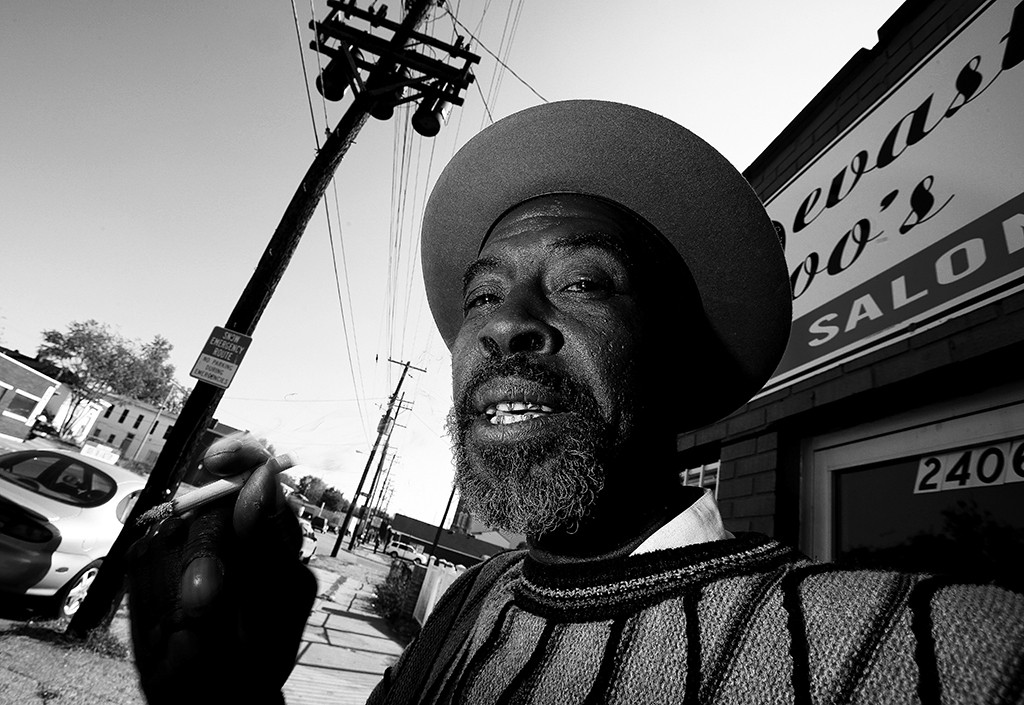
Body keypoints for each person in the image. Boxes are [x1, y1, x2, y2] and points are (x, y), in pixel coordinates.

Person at [127, 101, 1024, 704]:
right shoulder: (472, 603)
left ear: (674, 355)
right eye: (482, 296)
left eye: (585, 281)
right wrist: (229, 688)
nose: (505, 325)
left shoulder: (896, 649)